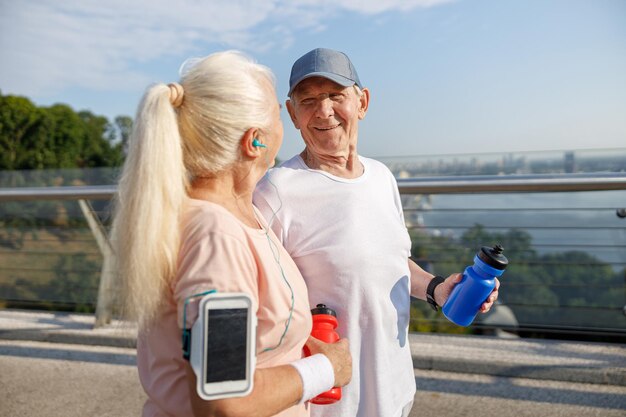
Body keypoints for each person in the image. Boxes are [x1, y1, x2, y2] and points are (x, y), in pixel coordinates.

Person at [253, 48, 500, 417]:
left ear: (362, 102)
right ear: (292, 114)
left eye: (336, 96)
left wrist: (437, 289)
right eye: (309, 100)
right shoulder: (277, 190)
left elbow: (390, 259)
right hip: (325, 404)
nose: (324, 111)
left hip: (395, 392)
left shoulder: (382, 178)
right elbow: (256, 300)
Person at [111, 50, 352, 417]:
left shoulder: (233, 215)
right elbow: (223, 401)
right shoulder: (215, 235)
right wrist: (326, 370)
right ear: (254, 140)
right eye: (276, 113)